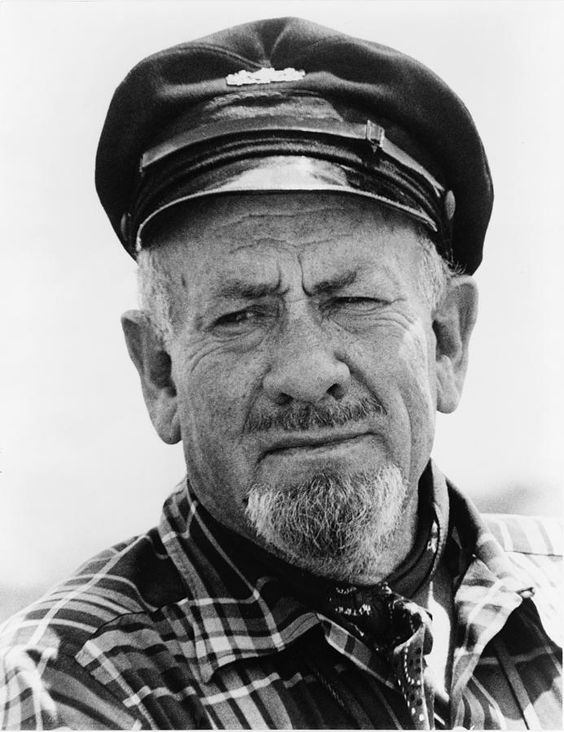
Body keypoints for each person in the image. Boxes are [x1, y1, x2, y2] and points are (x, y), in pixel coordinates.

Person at [0, 16, 561, 730]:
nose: (306, 371)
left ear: (446, 341)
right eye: (241, 316)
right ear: (160, 374)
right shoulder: (70, 687)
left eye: (352, 301)